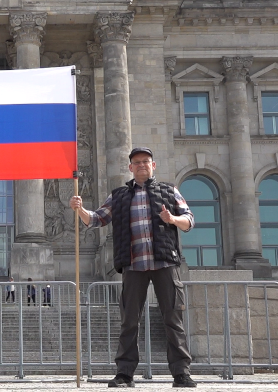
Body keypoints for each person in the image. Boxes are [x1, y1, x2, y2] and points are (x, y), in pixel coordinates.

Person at [69, 147, 197, 388]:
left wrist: (172, 220)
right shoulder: (118, 196)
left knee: (173, 319)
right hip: (133, 265)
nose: (141, 165)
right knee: (129, 321)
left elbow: (189, 220)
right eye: (137, 162)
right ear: (130, 168)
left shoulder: (169, 191)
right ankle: (124, 374)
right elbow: (96, 219)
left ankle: (181, 373)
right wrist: (80, 209)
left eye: (146, 161)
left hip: (165, 263)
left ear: (153, 165)